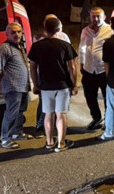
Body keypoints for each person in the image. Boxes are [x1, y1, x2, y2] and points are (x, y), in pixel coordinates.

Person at [29, 17, 79, 151]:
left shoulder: (37, 46)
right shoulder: (65, 45)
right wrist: (74, 85)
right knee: (61, 114)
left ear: (45, 29)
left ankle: (49, 142)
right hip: (62, 85)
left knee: (48, 114)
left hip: (45, 85)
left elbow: (32, 67)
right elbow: (72, 67)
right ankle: (61, 144)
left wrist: (35, 84)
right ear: (58, 29)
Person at [0, 23, 32, 149]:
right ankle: (5, 139)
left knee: (20, 111)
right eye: (13, 32)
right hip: (12, 87)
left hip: (23, 86)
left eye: (19, 32)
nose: (17, 35)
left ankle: (17, 133)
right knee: (11, 113)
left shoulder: (19, 47)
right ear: (7, 34)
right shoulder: (3, 49)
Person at [33, 14, 71, 136]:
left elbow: (70, 60)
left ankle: (57, 130)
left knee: (59, 109)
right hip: (45, 77)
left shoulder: (64, 37)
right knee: (45, 106)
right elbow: (34, 63)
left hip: (61, 76)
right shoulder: (38, 38)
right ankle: (40, 125)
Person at [79, 7, 113, 130]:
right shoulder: (85, 31)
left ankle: (108, 119)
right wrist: (81, 64)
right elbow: (82, 48)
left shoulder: (109, 30)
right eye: (93, 16)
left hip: (104, 70)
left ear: (104, 17)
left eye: (98, 16)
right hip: (88, 69)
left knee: (107, 96)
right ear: (90, 17)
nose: (96, 19)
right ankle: (97, 117)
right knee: (89, 96)